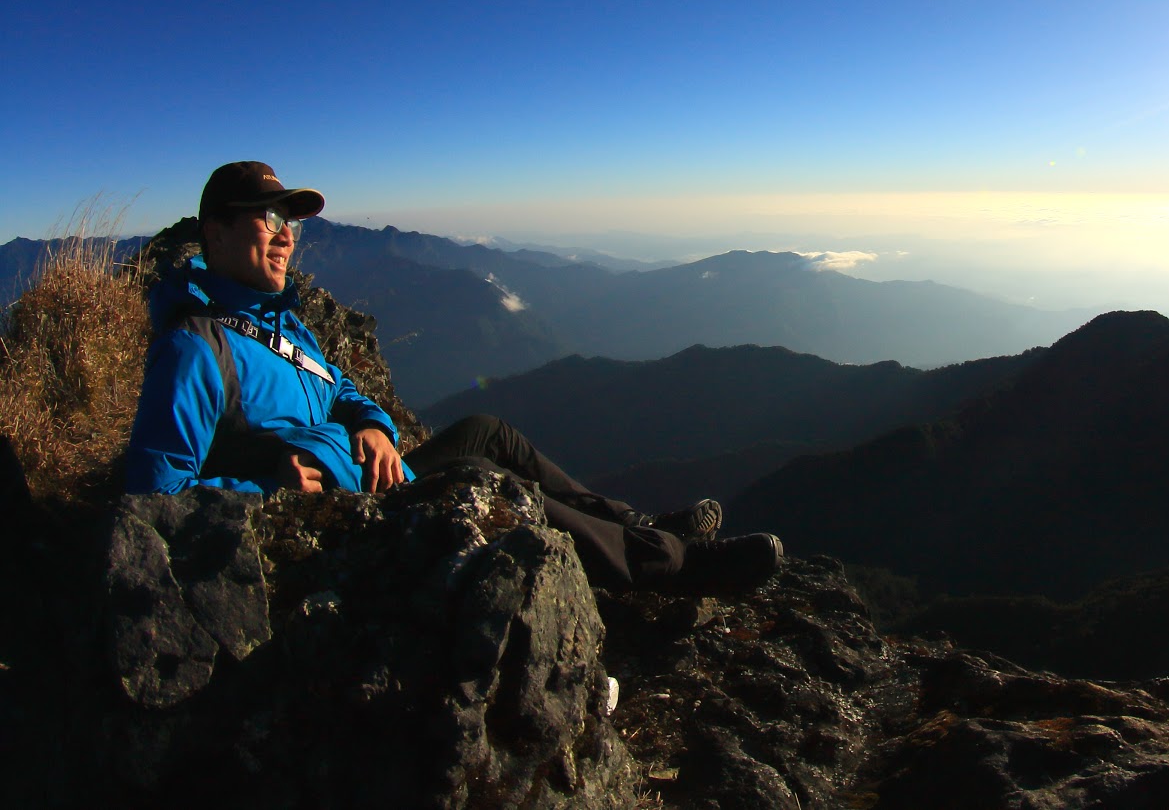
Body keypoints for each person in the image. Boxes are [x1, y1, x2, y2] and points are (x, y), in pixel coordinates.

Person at [125, 161, 783, 595]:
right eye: (268, 217)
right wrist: (262, 485)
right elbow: (148, 497)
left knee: (486, 431)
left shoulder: (277, 324)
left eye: (291, 220)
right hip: (346, 525)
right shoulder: (195, 350)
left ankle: (639, 523)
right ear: (215, 229)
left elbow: (340, 391)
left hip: (375, 478)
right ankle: (675, 565)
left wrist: (376, 427)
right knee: (492, 486)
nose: (286, 235)